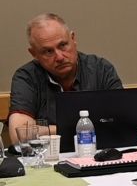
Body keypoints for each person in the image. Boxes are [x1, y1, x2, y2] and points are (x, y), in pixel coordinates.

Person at [8, 13, 123, 144]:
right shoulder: (26, 77)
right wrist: (82, 129)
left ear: (73, 39)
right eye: (48, 51)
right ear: (34, 54)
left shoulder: (101, 69)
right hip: (49, 159)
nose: (60, 57)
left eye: (63, 45)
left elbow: (123, 121)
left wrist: (47, 131)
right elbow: (20, 134)